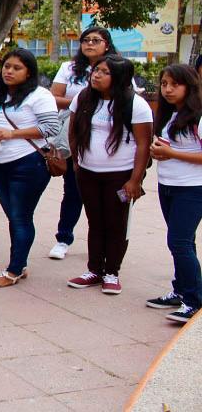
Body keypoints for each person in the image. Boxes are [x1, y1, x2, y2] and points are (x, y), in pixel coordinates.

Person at [67, 54, 152, 295]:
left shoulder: (135, 104)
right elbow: (73, 129)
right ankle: (94, 269)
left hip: (120, 174)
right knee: (95, 221)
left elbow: (144, 144)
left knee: (116, 223)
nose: (96, 75)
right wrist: (77, 161)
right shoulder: (84, 98)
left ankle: (112, 272)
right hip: (88, 172)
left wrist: (135, 180)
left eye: (104, 72)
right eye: (96, 70)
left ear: (119, 77)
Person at [0, 49, 60, 287]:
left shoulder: (39, 95)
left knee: (20, 217)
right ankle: (19, 263)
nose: (9, 71)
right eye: (6, 66)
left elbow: (51, 128)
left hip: (28, 164)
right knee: (14, 217)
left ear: (29, 73)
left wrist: (13, 133)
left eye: (17, 68)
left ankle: (14, 270)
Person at [48, 27, 117, 260]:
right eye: (85, 40)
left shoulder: (117, 68)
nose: (89, 44)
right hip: (73, 134)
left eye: (96, 40)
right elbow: (54, 97)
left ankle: (104, 243)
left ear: (106, 44)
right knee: (73, 189)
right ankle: (63, 238)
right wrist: (82, 102)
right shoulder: (69, 68)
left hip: (106, 136)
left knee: (104, 195)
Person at [148, 64, 202, 323]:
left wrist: (170, 153)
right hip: (168, 185)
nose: (167, 89)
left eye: (174, 84)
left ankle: (194, 301)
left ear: (189, 86)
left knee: (179, 243)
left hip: (192, 188)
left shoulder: (198, 116)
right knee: (184, 242)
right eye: (164, 84)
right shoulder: (171, 114)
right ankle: (181, 291)